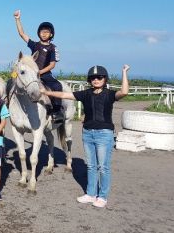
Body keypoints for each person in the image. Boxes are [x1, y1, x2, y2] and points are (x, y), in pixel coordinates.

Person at [41, 64, 130, 208]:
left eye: (99, 77)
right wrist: (46, 92)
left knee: (103, 167)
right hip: (87, 133)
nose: (96, 80)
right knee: (91, 166)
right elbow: (64, 95)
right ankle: (90, 194)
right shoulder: (85, 94)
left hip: (104, 134)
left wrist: (124, 72)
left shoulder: (110, 94)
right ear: (89, 80)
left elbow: (124, 92)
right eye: (93, 78)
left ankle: (102, 197)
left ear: (105, 79)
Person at [13, 10, 64, 123]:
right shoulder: (34, 45)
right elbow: (22, 34)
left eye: (47, 32)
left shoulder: (53, 48)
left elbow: (52, 65)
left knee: (57, 86)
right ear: (38, 33)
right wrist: (17, 19)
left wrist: (40, 72)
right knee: (13, 81)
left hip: (45, 74)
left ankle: (57, 111)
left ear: (51, 34)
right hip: (32, 74)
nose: (44, 34)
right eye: (42, 31)